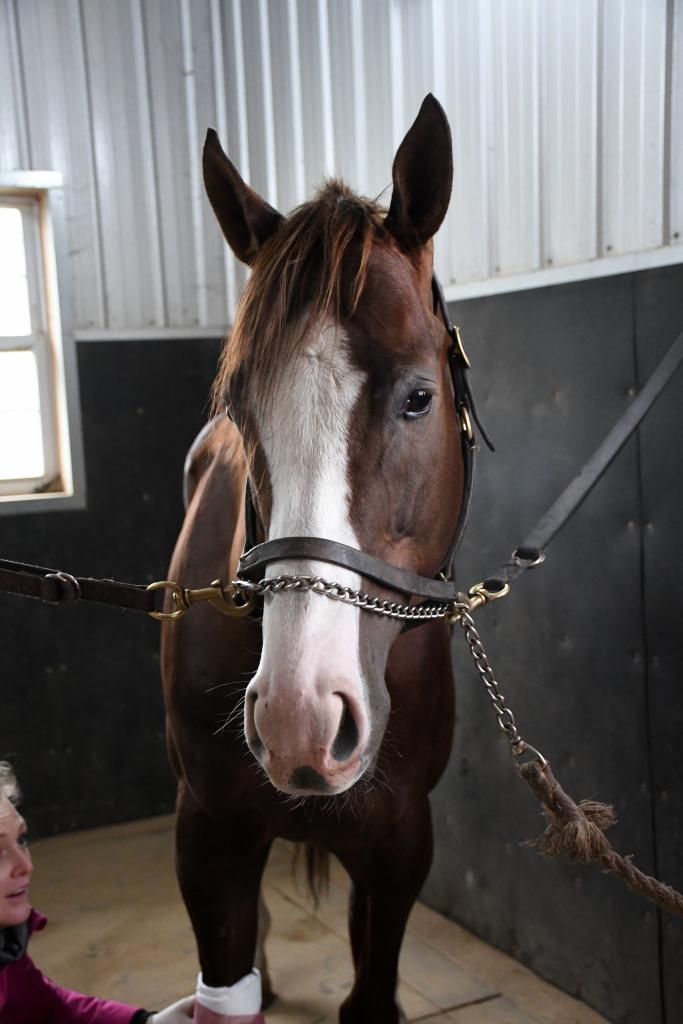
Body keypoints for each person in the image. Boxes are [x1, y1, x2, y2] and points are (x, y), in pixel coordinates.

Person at [0, 761, 194, 1023]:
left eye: (21, 840)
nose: (26, 865)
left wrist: (145, 1023)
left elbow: (44, 1005)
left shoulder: (7, 943)